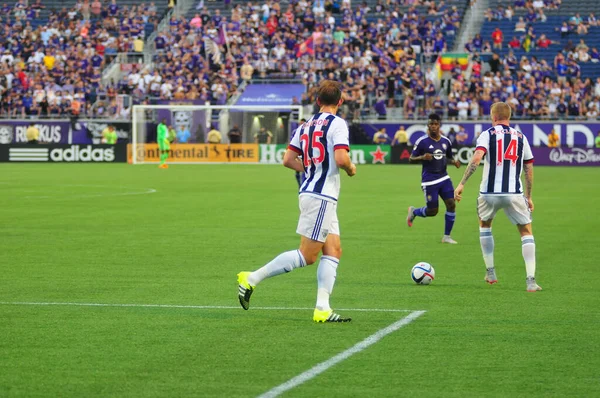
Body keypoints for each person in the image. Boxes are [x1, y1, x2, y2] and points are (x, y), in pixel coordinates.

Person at [237, 80, 357, 323]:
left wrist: (312, 168)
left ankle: (322, 308)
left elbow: (287, 160)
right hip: (321, 195)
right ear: (340, 101)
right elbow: (342, 158)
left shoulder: (304, 126)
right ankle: (252, 278)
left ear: (317, 101)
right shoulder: (338, 124)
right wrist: (351, 168)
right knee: (307, 255)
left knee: (333, 250)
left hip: (314, 193)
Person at [454, 102, 541, 292]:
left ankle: (491, 272)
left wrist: (462, 183)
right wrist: (529, 196)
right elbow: (528, 168)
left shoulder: (487, 134)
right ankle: (531, 281)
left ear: (493, 117)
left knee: (485, 225)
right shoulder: (521, 137)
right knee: (526, 232)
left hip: (489, 193)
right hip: (514, 193)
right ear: (509, 117)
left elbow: (477, 158)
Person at [407, 113, 461, 244]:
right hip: (429, 180)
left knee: (451, 204)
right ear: (428, 125)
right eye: (431, 124)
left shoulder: (446, 141)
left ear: (439, 125)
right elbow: (410, 159)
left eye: (436, 124)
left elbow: (446, 157)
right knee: (432, 211)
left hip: (444, 178)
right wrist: (421, 157)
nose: (433, 126)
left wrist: (453, 162)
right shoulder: (422, 142)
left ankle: (446, 236)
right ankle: (414, 212)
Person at [295, 118, 307, 188]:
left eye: (302, 123)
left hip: (305, 155)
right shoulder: (296, 132)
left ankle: (303, 186)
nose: (301, 125)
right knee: (297, 172)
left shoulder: (309, 131)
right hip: (298, 154)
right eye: (300, 123)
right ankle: (300, 186)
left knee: (304, 172)